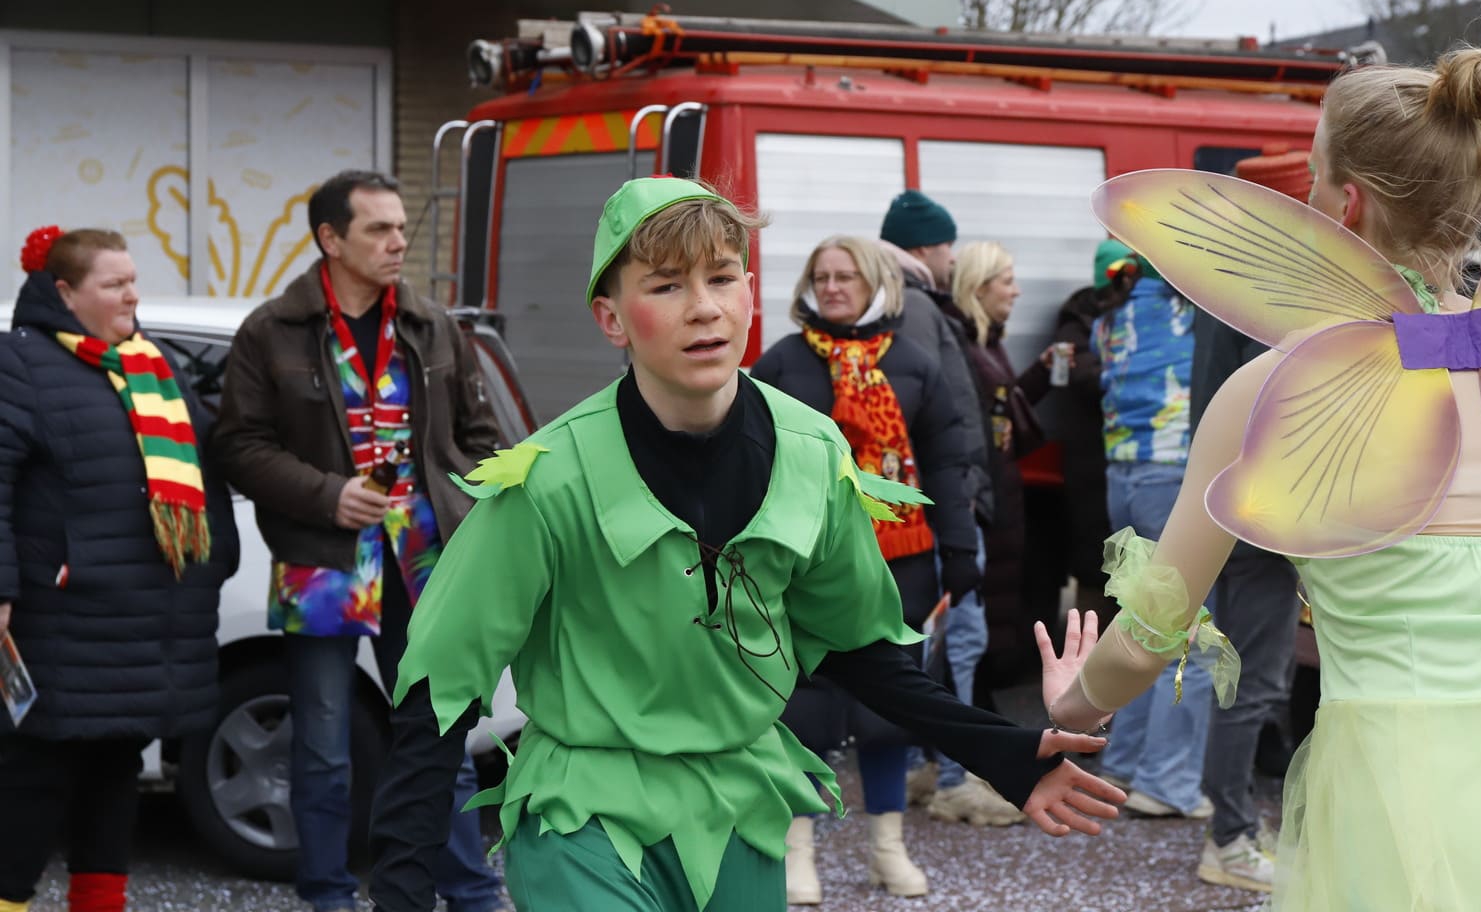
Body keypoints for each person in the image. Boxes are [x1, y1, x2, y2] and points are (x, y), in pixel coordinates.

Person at [367, 178, 1123, 912]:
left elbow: (862, 651)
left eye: (722, 277)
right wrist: (401, 891)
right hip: (583, 810)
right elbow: (440, 692)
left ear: (751, 296)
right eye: (666, 285)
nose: (703, 307)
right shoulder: (546, 480)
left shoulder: (813, 454)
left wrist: (1005, 753)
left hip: (739, 810)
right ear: (611, 318)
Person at [1044, 44, 1481, 910]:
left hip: (1398, 801)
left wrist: (1071, 707)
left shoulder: (1270, 393)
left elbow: (1150, 636)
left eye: (1314, 177)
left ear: (1344, 203)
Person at [213, 171, 505, 912]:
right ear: (330, 240)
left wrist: (467, 512)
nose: (399, 241)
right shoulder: (271, 330)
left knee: (439, 734)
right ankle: (329, 896)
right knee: (322, 747)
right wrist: (327, 494)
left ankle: (470, 893)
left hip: (425, 558)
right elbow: (239, 445)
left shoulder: (433, 325)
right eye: (380, 229)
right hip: (323, 557)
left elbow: (480, 439)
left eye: (402, 226)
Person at [0, 227, 239, 912]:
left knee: (115, 774)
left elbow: (211, 462)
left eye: (133, 280)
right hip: (63, 620)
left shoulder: (151, 362)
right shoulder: (20, 364)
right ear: (65, 293)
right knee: (34, 779)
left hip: (146, 621)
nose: (132, 294)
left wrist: (217, 558)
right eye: (114, 284)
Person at [749, 234, 985, 900]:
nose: (830, 287)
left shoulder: (915, 364)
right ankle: (797, 852)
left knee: (890, 709)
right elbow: (748, 462)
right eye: (820, 276)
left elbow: (947, 465)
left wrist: (960, 551)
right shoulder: (782, 362)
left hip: (898, 566)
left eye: (845, 276)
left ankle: (887, 850)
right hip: (806, 566)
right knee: (801, 709)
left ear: (878, 283)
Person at [1186, 151, 1313, 894]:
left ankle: (1233, 828)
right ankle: (1230, 837)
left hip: (1245, 511)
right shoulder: (1263, 292)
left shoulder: (1230, 280)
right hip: (1260, 519)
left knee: (1250, 678)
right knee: (1254, 682)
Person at [876, 191, 1014, 828]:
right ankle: (955, 779)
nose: (952, 258)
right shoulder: (918, 308)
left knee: (924, 639)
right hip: (942, 502)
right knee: (956, 639)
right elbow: (940, 417)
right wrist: (963, 499)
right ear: (925, 248)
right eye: (946, 245)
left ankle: (922, 765)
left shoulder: (898, 303)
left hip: (923, 502)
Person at [1087, 241, 1214, 820]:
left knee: (1140, 624)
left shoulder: (1109, 319)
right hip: (1173, 476)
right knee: (1191, 636)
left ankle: (1126, 760)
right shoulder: (1191, 308)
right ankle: (1166, 783)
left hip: (1122, 476)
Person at [932, 241, 1045, 829]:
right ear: (977, 287)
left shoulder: (985, 344)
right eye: (1006, 279)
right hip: (974, 509)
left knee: (963, 639)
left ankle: (943, 765)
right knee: (960, 640)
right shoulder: (966, 348)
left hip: (989, 506)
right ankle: (952, 776)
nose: (1016, 290)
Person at [1021, 242, 1138, 628]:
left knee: (1132, 570)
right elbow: (1087, 378)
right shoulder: (1078, 321)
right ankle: (1089, 652)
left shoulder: (1127, 318)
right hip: (1092, 468)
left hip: (1122, 465)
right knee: (1096, 571)